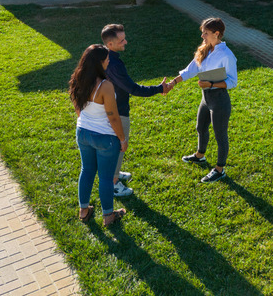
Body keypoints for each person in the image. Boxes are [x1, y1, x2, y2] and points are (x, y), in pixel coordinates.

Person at [101, 24, 169, 197]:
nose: (126, 42)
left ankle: (115, 174)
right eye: (122, 40)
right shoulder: (114, 64)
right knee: (119, 145)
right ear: (110, 44)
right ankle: (114, 183)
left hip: (111, 107)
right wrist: (159, 88)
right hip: (118, 111)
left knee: (115, 145)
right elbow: (134, 89)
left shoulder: (105, 57)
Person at [168, 18, 237, 183]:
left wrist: (211, 83)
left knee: (220, 135)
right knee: (200, 127)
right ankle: (200, 155)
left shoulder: (227, 55)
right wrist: (173, 82)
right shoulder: (205, 50)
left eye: (206, 33)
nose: (202, 35)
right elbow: (191, 69)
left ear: (216, 33)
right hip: (206, 98)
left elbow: (233, 82)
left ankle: (220, 169)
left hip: (219, 100)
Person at [69, 44, 127, 226]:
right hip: (105, 138)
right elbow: (113, 117)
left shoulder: (77, 78)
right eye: (107, 58)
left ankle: (84, 211)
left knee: (86, 170)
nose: (109, 60)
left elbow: (77, 106)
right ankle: (108, 216)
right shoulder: (105, 85)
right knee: (105, 177)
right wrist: (122, 139)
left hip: (83, 133)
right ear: (99, 63)